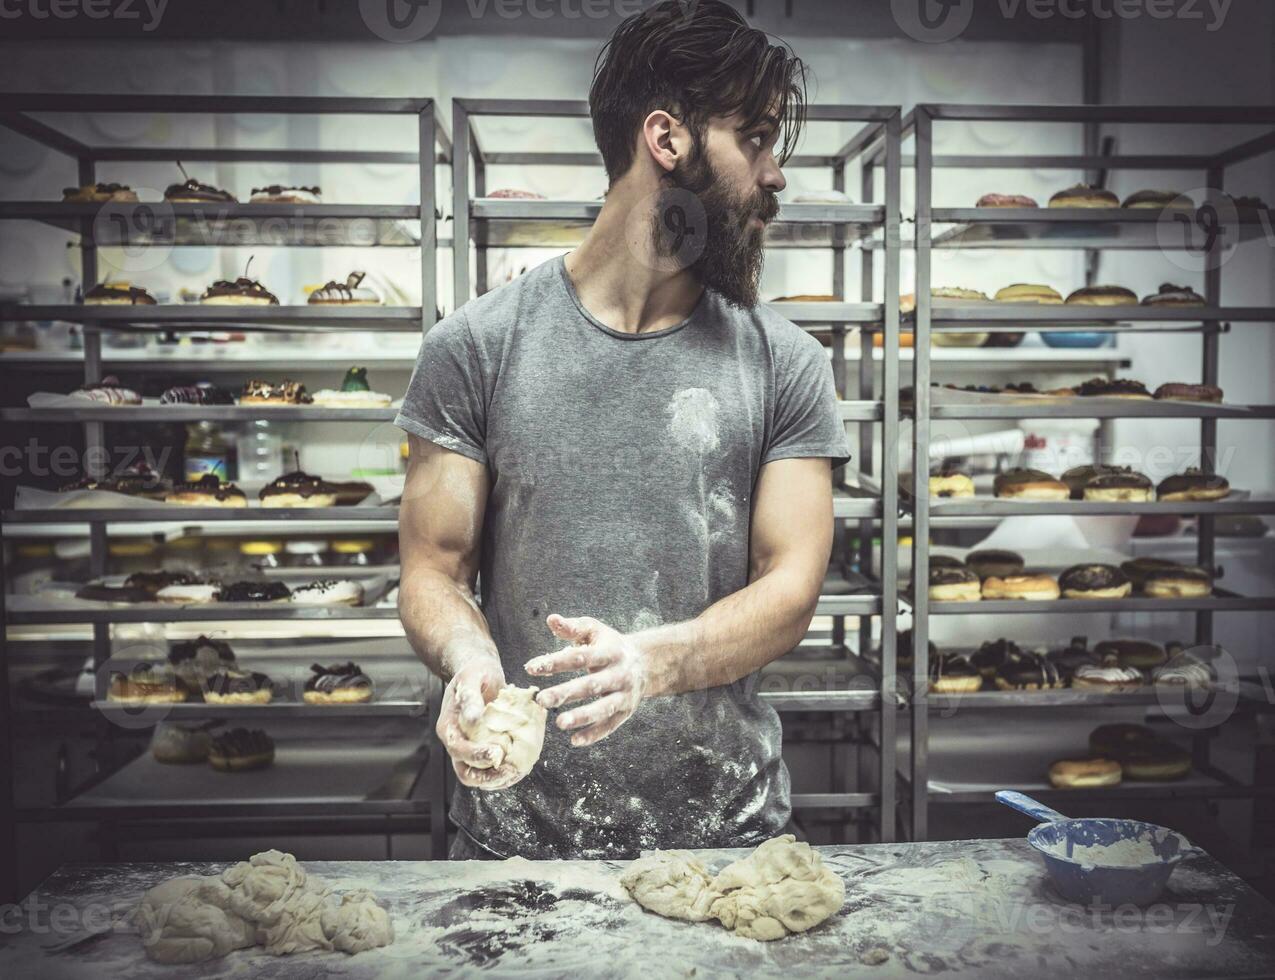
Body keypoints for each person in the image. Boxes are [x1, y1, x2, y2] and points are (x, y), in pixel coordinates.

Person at [396, 0, 850, 860]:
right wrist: (466, 658)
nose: (776, 173)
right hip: (517, 844)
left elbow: (788, 583)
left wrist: (653, 663)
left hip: (726, 845)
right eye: (754, 137)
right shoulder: (475, 349)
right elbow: (434, 569)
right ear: (667, 140)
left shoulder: (783, 361)